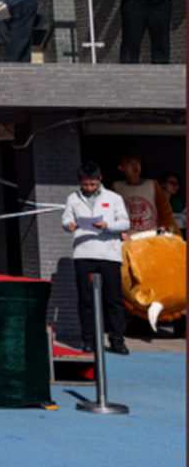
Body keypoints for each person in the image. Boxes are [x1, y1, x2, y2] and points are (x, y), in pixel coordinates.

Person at [63, 161, 130, 354]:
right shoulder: (72, 198)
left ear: (100, 179)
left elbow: (125, 222)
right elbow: (66, 219)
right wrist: (69, 225)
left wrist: (107, 225)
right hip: (83, 252)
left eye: (93, 184)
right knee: (85, 299)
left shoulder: (114, 198)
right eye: (85, 184)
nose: (89, 188)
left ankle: (117, 340)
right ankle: (89, 340)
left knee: (114, 299)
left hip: (108, 253)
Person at [114, 151, 175, 237]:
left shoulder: (152, 184)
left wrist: (161, 231)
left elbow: (165, 211)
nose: (135, 165)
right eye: (130, 163)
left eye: (137, 162)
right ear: (121, 168)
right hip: (130, 239)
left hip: (154, 237)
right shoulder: (117, 187)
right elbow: (111, 214)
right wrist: (123, 234)